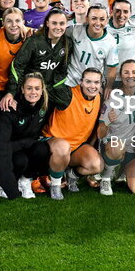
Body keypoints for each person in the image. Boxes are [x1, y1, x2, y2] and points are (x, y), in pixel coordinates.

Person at [40, 68, 105, 200]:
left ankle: (71, 175)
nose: (92, 86)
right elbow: (44, 90)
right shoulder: (67, 94)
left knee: (97, 165)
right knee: (63, 146)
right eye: (88, 82)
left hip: (75, 147)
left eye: (96, 82)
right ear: (81, 82)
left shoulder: (98, 97)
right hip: (53, 142)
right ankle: (56, 185)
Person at [0, 72, 54, 199]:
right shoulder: (9, 107)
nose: (33, 92)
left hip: (24, 146)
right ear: (22, 90)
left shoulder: (45, 105)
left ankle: (25, 181)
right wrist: (8, 186)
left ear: (42, 91)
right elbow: (2, 147)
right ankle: (3, 184)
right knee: (20, 161)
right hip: (3, 148)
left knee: (42, 150)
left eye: (37, 88)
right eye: (29, 88)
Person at [97, 60, 135, 195]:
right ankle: (106, 177)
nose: (130, 76)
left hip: (133, 149)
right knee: (117, 146)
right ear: (120, 75)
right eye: (126, 72)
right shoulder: (112, 98)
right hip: (114, 147)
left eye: (134, 72)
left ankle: (124, 171)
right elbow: (100, 134)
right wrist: (107, 122)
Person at [65, 3, 119, 88]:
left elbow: (112, 68)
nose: (98, 23)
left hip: (92, 87)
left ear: (107, 20)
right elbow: (57, 32)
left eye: (102, 19)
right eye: (94, 18)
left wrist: (108, 87)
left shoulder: (111, 42)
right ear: (87, 19)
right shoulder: (74, 30)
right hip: (71, 83)